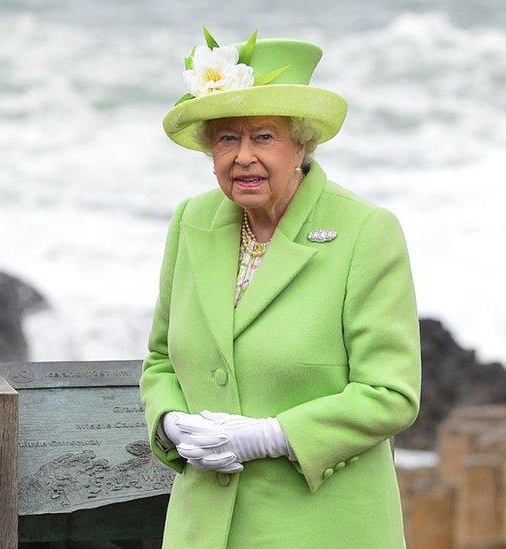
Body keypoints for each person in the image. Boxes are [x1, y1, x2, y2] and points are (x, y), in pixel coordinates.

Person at [139, 28, 421, 548]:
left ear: (300, 144)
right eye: (227, 139)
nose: (243, 157)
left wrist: (270, 437)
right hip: (202, 529)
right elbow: (160, 360)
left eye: (263, 137)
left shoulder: (365, 231)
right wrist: (171, 422)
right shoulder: (191, 222)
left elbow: (391, 394)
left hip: (322, 529)